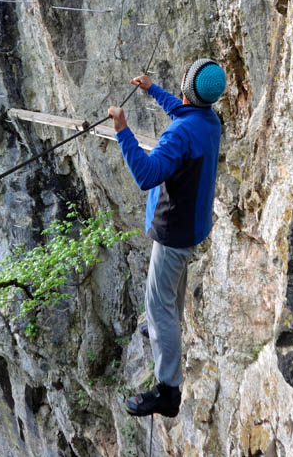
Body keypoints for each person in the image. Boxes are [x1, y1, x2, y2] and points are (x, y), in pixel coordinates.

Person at [107, 58, 226, 418]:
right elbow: (185, 111)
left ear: (187, 91)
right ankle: (171, 349)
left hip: (174, 233)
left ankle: (168, 390)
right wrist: (151, 89)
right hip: (193, 225)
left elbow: (146, 175)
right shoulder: (209, 121)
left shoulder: (179, 134)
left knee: (158, 307)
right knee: (170, 302)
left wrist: (123, 130)